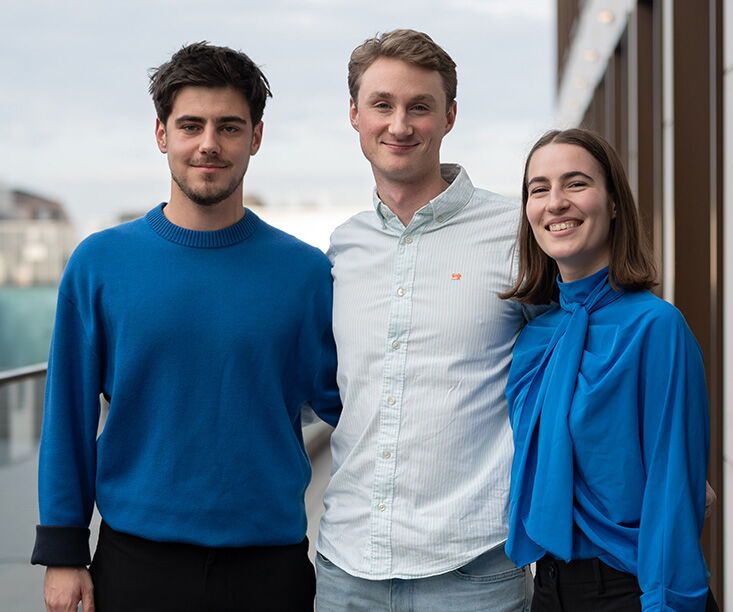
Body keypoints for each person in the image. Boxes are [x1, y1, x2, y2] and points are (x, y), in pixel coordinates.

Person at [31, 42, 340, 612]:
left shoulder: (306, 274)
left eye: (229, 127)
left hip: (269, 568)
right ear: (161, 134)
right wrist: (64, 551)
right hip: (135, 565)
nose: (209, 144)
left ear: (256, 137)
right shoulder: (100, 264)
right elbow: (67, 414)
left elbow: (352, 410)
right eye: (191, 125)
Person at [315, 29, 533, 611]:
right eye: (382, 105)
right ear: (355, 115)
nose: (400, 125)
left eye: (420, 106)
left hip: (475, 567)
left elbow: (588, 352)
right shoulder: (343, 249)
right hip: (345, 569)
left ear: (450, 116)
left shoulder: (517, 233)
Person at [503, 128, 713, 611]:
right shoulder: (535, 335)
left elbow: (673, 486)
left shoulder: (656, 327)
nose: (555, 202)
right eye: (539, 189)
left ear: (614, 203)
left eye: (576, 184)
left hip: (632, 589)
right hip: (547, 588)